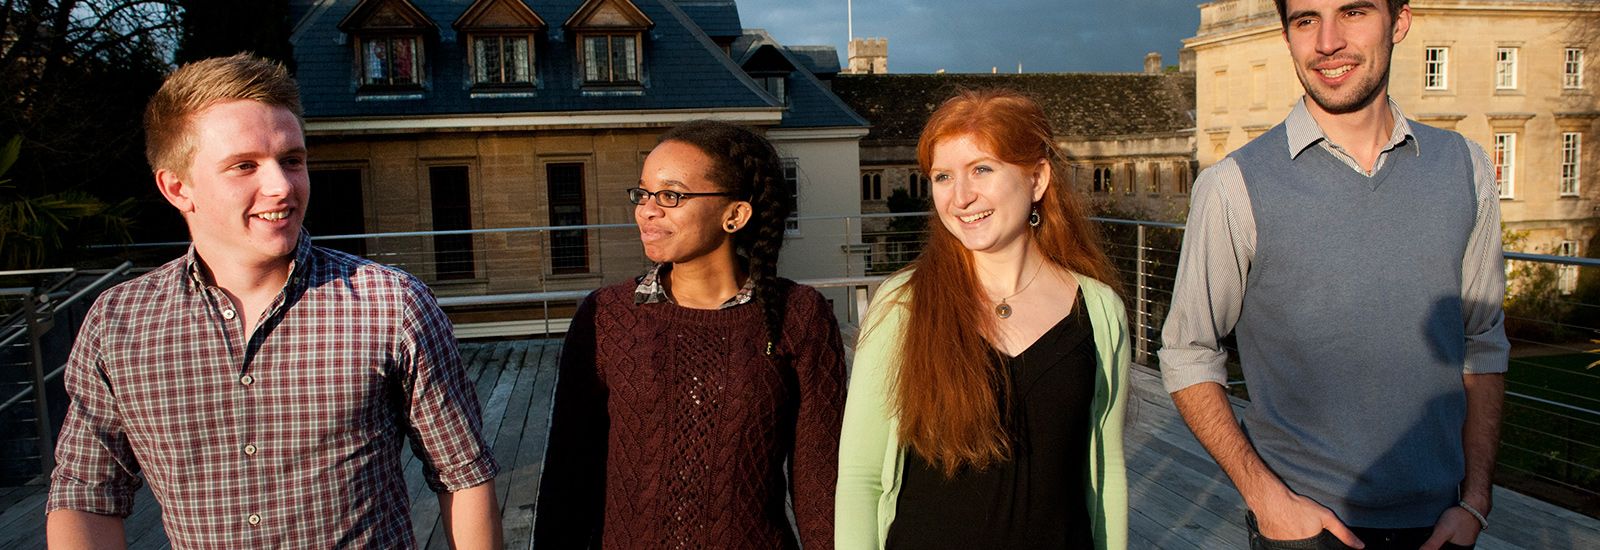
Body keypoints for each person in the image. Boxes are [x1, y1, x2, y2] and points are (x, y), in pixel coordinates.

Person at [44, 54, 502, 549]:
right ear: (178, 188)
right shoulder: (119, 325)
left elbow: (463, 473)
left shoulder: (391, 305)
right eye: (244, 165)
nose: (281, 187)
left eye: (292, 160)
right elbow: (86, 496)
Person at [1159, 1, 1509, 549]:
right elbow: (1187, 351)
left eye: (1353, 12)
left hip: (1443, 523)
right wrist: (1264, 497)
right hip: (1304, 529)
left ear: (1399, 21)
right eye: (1305, 20)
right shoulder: (1233, 187)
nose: (1327, 42)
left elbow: (1483, 343)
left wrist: (1477, 501)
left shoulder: (1464, 167)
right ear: (1287, 35)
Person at [836, 89, 1131, 550]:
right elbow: (861, 477)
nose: (961, 197)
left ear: (1037, 179)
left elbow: (1105, 468)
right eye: (942, 177)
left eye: (982, 170)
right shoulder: (902, 305)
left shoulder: (1099, 310)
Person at [532, 120, 847, 549]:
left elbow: (819, 484)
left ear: (734, 214)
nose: (647, 210)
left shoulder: (799, 316)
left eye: (671, 196)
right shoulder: (607, 316)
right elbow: (568, 478)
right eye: (643, 193)